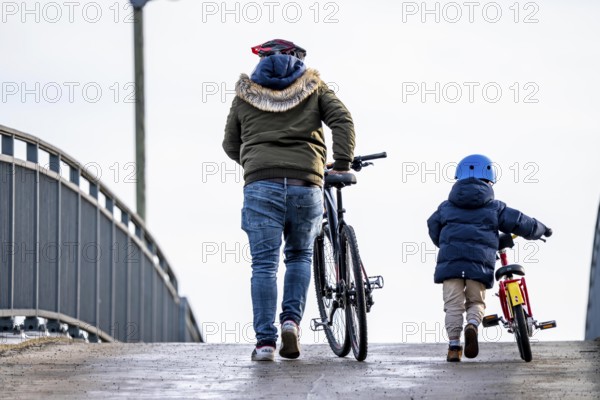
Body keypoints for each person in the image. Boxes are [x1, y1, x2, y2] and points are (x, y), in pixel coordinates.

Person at [222, 39, 355, 361]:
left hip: (260, 186)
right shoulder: (315, 88)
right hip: (305, 184)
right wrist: (341, 163)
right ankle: (291, 324)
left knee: (264, 266)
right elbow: (343, 120)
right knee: (299, 256)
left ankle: (265, 343)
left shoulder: (244, 95)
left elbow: (229, 143)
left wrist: (257, 164)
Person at [427, 154, 552, 362]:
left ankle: (454, 347)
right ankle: (473, 325)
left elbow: (433, 226)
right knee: (476, 301)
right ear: (489, 178)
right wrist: (542, 230)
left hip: (450, 265)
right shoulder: (495, 207)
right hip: (479, 265)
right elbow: (521, 222)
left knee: (453, 305)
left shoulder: (445, 207)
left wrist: (445, 244)